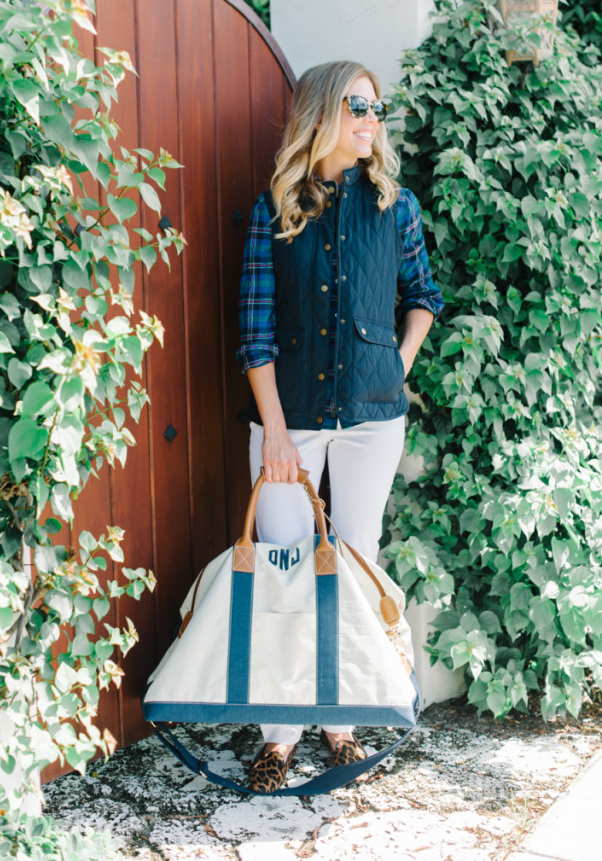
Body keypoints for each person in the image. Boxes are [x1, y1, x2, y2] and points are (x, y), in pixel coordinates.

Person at [236, 60, 444, 793]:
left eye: (376, 107)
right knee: (285, 565)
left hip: (371, 416)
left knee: (354, 564)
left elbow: (423, 296)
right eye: (358, 103)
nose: (371, 117)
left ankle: (341, 723)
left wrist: (398, 364)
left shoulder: (397, 205)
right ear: (323, 110)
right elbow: (254, 331)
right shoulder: (277, 205)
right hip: (287, 417)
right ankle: (279, 736)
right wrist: (277, 433)